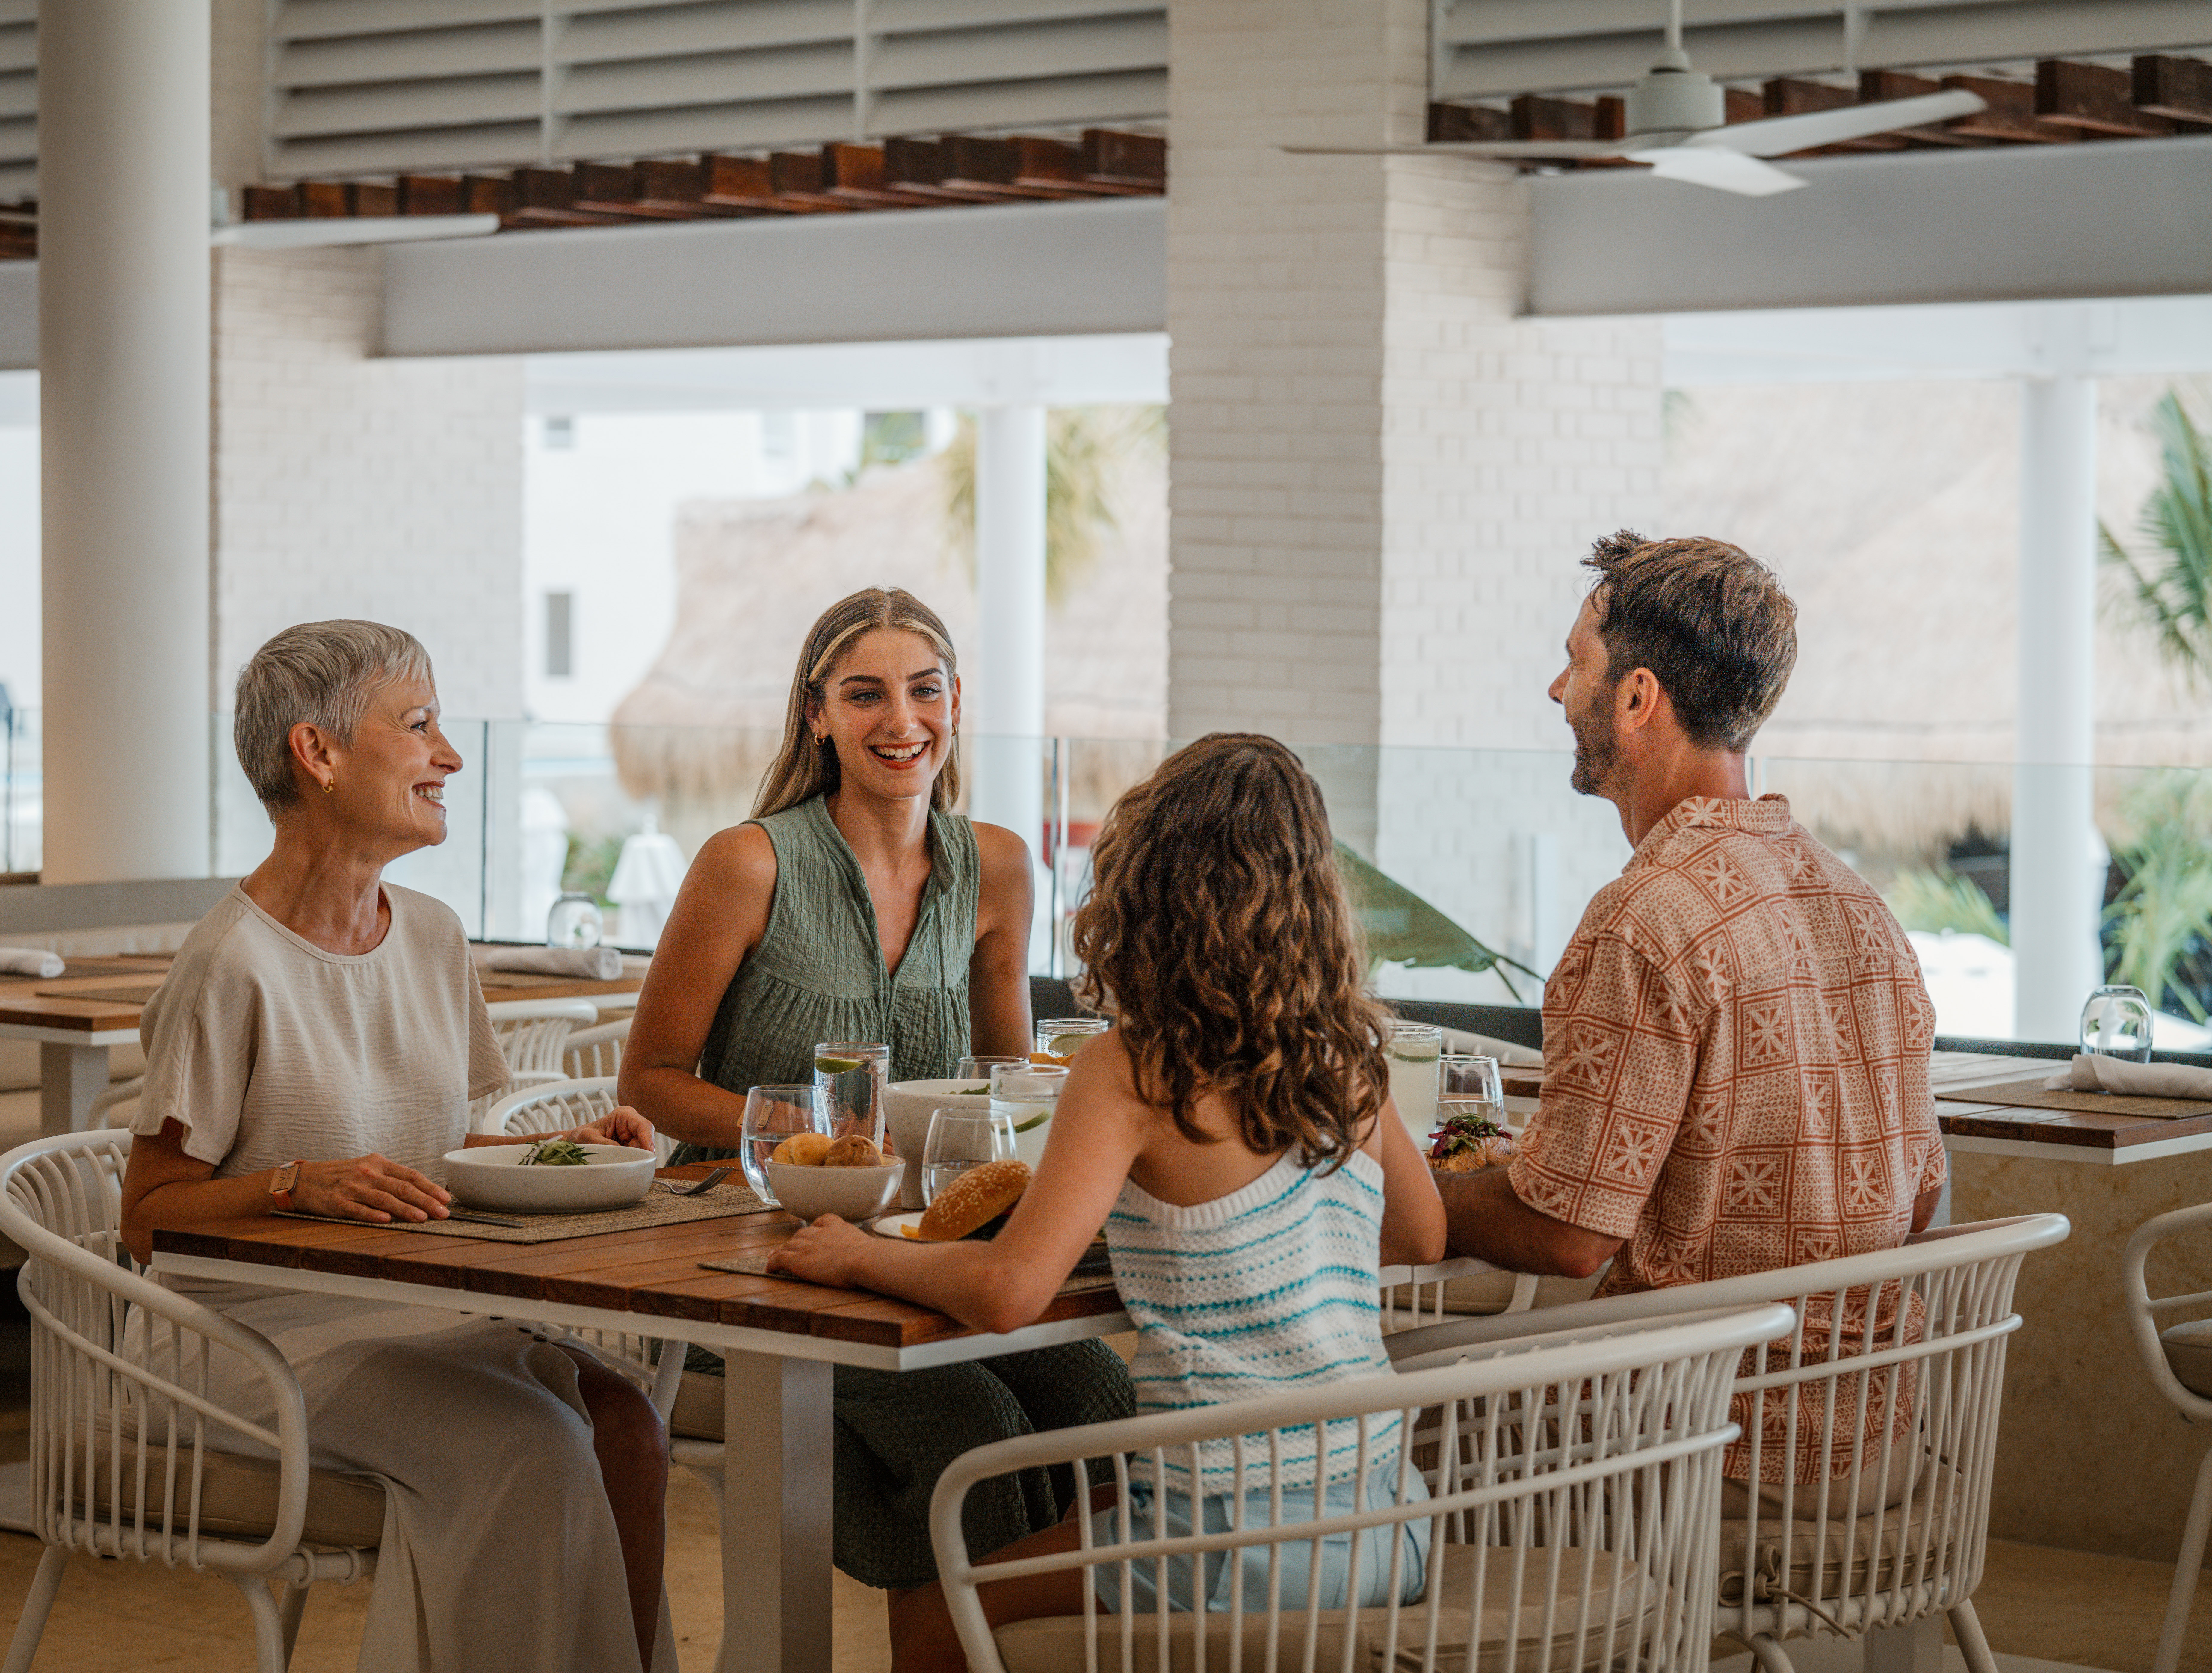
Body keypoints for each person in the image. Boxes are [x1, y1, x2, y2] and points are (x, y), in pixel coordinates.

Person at [771, 732, 1448, 1673]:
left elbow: (1011, 1289)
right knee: (1092, 1504)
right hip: (1385, 1521)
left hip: (1231, 1536)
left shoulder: (1135, 1067)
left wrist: (855, 1254)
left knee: (933, 1614)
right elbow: (1422, 1231)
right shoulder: (1345, 1057)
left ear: (1149, 883)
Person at [118, 620, 670, 1673]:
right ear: (317, 755)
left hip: (414, 1301)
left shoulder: (431, 932)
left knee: (631, 1427)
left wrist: (565, 1152)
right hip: (256, 1339)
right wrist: (293, 1186)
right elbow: (145, 1219)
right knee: (534, 1444)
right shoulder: (230, 964)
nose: (451, 757)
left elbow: (453, 1148)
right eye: (418, 727)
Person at [621, 586, 1137, 1617]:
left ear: (955, 701)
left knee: (1105, 1400)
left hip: (925, 1240)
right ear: (816, 714)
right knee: (968, 1426)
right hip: (753, 1240)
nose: (901, 723)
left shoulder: (994, 865)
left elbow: (1003, 1070)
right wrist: (810, 1140)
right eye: (864, 696)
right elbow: (651, 1083)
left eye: (923, 691)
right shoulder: (748, 862)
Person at [1436, 532, 1947, 1491]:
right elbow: (1915, 1197)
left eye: (1574, 663)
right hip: (1879, 1433)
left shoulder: (1646, 922)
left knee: (1372, 1450)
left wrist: (1406, 1199)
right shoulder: (1856, 906)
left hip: (1704, 1441)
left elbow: (1567, 1235)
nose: (1556, 691)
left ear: (1636, 699)